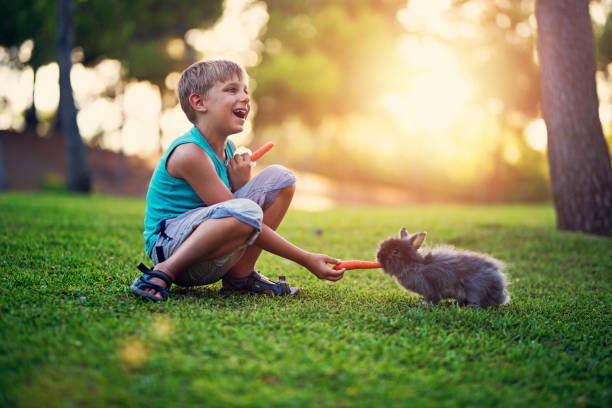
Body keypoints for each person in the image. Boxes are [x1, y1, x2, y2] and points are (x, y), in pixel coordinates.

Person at [131, 60, 345, 302]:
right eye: (232, 90)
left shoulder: (228, 149)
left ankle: (240, 276)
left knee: (282, 179)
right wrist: (305, 258)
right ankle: (162, 272)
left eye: (245, 90)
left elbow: (225, 210)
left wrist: (240, 182)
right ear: (199, 102)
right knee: (247, 211)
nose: (245, 97)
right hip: (173, 250)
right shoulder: (190, 153)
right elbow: (239, 213)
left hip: (208, 246)